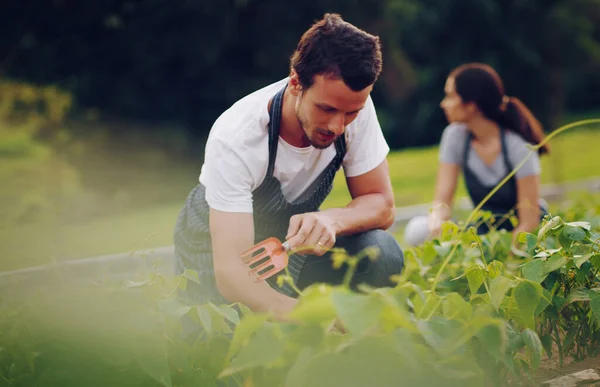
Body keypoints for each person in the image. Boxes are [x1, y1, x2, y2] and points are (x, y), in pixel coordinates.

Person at [173, 13, 404, 318]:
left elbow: (382, 204)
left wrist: (334, 220)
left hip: (288, 247)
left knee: (382, 253)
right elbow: (232, 275)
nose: (337, 125)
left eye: (350, 113)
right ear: (296, 81)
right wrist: (309, 319)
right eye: (326, 109)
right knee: (226, 350)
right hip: (217, 253)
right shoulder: (236, 137)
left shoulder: (352, 105)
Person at [404, 63, 550, 247]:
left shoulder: (518, 147)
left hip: (524, 236)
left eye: (450, 96)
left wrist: (499, 258)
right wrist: (437, 223)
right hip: (486, 232)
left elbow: (529, 222)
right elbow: (442, 201)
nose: (443, 104)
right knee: (417, 230)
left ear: (470, 106)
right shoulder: (455, 136)